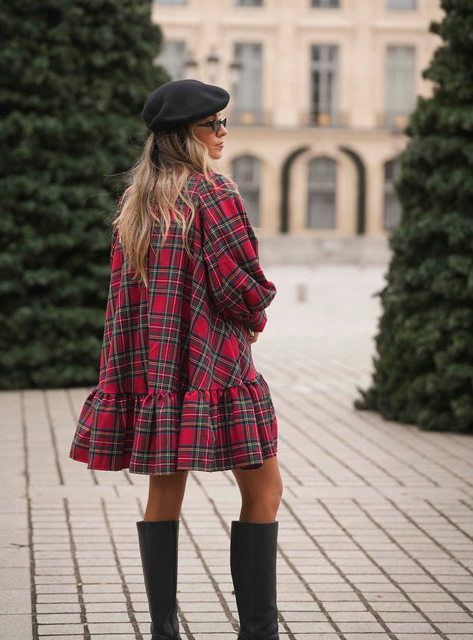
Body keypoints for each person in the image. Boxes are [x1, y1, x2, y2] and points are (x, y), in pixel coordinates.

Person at [70, 79, 282, 640]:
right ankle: (257, 632)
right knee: (264, 490)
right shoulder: (215, 195)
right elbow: (242, 286)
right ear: (185, 134)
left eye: (223, 122)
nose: (223, 132)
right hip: (218, 371)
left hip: (159, 375)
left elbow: (124, 300)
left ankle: (163, 631)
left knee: (164, 491)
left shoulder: (136, 202)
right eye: (214, 124)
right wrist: (256, 319)